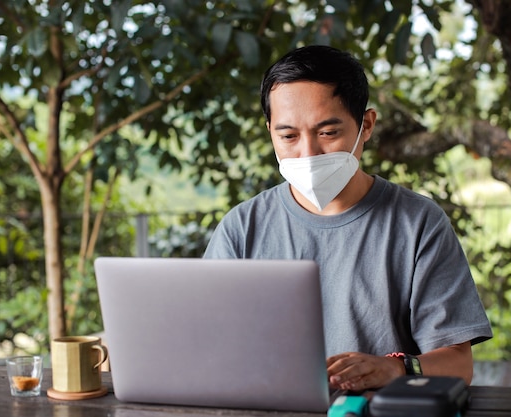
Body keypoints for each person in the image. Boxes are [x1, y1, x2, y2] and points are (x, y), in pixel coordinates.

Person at [203, 45, 492, 391]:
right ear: (270, 132)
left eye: (327, 133)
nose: (308, 153)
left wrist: (396, 370)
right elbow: (209, 346)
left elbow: (458, 363)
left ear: (366, 125)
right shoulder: (241, 229)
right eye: (288, 136)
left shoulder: (419, 224)